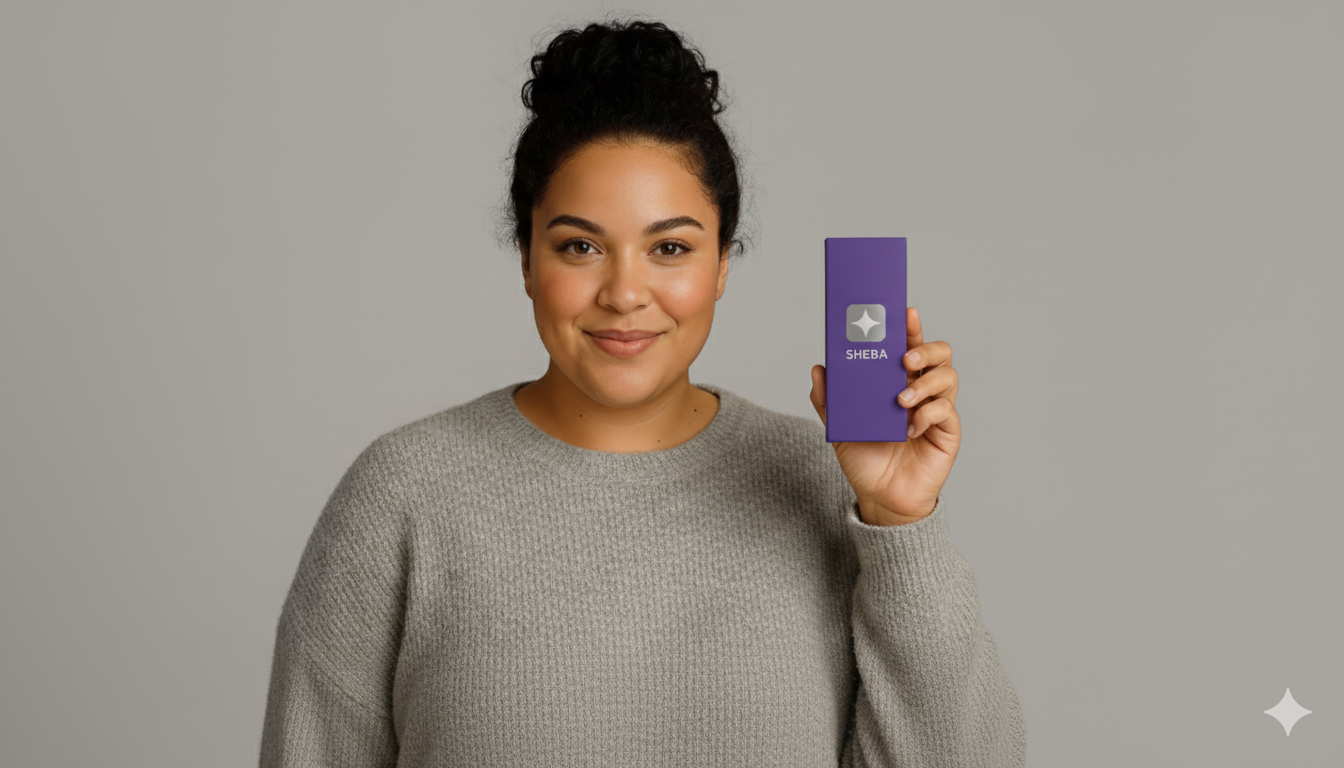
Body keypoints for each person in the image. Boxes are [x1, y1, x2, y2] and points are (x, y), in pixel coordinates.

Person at [260, 17, 1025, 767]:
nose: (626, 292)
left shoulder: (828, 488)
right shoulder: (402, 498)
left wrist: (900, 520)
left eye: (669, 247)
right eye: (580, 246)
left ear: (722, 263)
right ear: (527, 258)